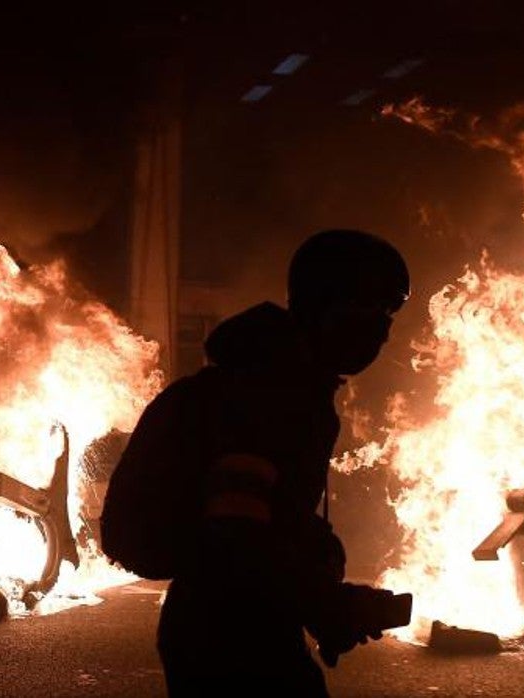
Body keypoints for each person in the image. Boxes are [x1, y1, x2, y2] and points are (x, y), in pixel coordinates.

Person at [114, 229, 411, 696]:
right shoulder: (270, 392)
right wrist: (324, 605)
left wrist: (318, 558)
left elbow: (264, 518)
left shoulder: (288, 384)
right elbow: (236, 540)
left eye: (390, 314)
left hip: (229, 625)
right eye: (372, 310)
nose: (382, 330)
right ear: (325, 306)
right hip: (230, 636)